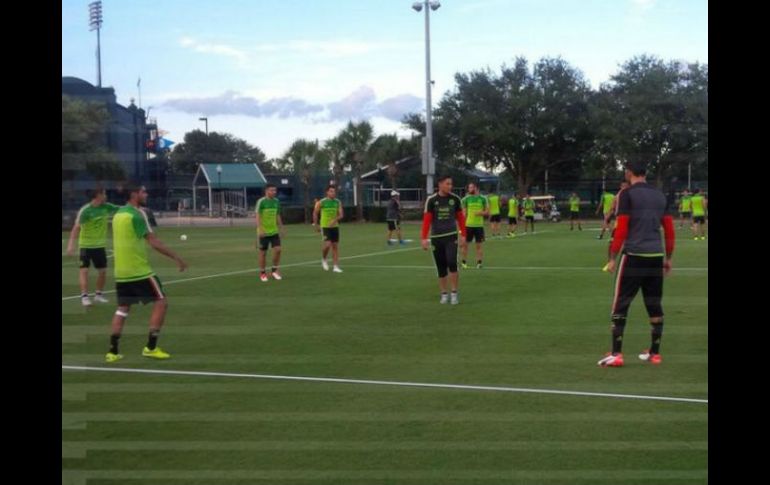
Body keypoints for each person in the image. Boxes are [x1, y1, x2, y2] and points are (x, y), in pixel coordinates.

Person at [598, 162, 675, 367]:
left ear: (629, 172)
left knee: (621, 303)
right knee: (654, 304)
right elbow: (669, 229)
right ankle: (655, 353)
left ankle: (616, 354)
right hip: (656, 255)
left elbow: (621, 227)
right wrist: (668, 258)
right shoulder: (660, 195)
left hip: (633, 255)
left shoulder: (626, 194)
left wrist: (613, 257)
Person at [105, 183, 188, 363]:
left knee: (122, 310)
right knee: (161, 302)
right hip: (139, 271)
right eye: (143, 191)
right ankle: (150, 347)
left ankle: (112, 351)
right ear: (134, 194)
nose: (146, 194)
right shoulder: (138, 214)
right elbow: (154, 241)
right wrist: (176, 257)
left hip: (121, 272)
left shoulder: (118, 214)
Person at [66, 187, 121, 306]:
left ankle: (98, 295)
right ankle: (84, 297)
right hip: (85, 246)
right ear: (98, 195)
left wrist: (137, 208)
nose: (106, 196)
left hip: (100, 246)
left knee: (102, 271)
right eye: (104, 194)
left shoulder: (107, 207)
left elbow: (122, 209)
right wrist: (71, 244)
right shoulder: (85, 211)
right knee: (84, 270)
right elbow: (76, 228)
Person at [421, 176, 467, 304]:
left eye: (451, 184)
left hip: (451, 236)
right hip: (436, 238)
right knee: (441, 267)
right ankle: (444, 293)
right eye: (447, 184)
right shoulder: (431, 200)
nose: (450, 186)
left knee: (452, 262)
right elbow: (427, 221)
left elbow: (461, 219)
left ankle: (454, 293)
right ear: (440, 184)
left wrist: (463, 235)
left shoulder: (455, 199)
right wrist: (423, 238)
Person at [255, 183, 285, 282]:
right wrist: (260, 229)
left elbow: (277, 215)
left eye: (275, 190)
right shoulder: (261, 202)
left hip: (274, 231)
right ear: (266, 191)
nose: (274, 192)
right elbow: (258, 216)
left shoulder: (276, 201)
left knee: (278, 250)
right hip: (263, 232)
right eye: (272, 190)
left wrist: (281, 228)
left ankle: (274, 270)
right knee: (263, 253)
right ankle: (263, 273)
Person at [313, 185, 344, 273]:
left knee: (335, 246)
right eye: (331, 191)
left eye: (334, 191)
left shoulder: (337, 202)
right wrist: (316, 225)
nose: (333, 193)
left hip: (335, 227)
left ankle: (335, 266)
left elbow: (341, 215)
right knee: (327, 245)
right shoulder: (321, 202)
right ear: (327, 192)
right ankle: (323, 259)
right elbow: (315, 213)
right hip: (325, 226)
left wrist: (334, 220)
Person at [461, 182, 488, 269]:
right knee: (465, 245)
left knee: (478, 246)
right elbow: (463, 213)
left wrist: (481, 213)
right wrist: (461, 226)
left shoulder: (483, 198)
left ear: (476, 188)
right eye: (469, 188)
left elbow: (487, 212)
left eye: (471, 187)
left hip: (479, 226)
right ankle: (463, 263)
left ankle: (479, 263)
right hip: (468, 225)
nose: (469, 189)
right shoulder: (466, 199)